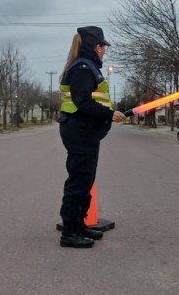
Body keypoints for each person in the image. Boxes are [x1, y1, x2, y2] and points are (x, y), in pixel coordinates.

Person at [57, 26, 126, 248]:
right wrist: (109, 114)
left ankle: (79, 224)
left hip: (84, 130)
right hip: (79, 131)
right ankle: (69, 232)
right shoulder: (83, 68)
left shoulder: (86, 67)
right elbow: (82, 101)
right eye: (103, 47)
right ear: (96, 47)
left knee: (86, 179)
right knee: (78, 181)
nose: (104, 51)